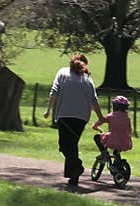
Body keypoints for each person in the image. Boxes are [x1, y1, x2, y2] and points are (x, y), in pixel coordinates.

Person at [44, 53, 105, 186]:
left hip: (64, 115)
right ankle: (73, 178)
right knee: (72, 145)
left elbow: (54, 92)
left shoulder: (62, 72)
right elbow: (94, 100)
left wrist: (49, 110)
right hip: (81, 118)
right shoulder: (87, 79)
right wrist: (100, 117)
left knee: (64, 146)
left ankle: (78, 166)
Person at [92, 96, 133, 162]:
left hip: (113, 140)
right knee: (116, 151)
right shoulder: (127, 118)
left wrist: (95, 126)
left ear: (115, 106)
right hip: (126, 141)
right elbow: (129, 130)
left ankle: (104, 153)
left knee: (96, 137)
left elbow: (101, 120)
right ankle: (117, 165)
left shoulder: (111, 116)